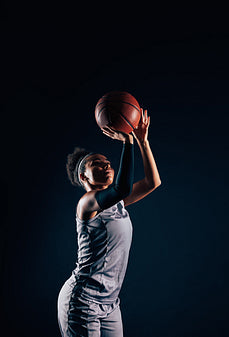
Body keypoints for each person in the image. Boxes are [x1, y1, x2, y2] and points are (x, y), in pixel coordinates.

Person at [58, 109, 161, 337]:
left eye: (107, 163)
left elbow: (153, 182)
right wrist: (127, 142)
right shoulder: (87, 203)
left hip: (110, 302)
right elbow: (122, 188)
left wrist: (142, 142)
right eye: (97, 163)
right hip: (82, 301)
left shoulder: (118, 202)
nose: (106, 165)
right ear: (84, 177)